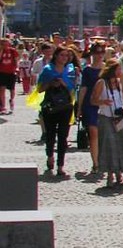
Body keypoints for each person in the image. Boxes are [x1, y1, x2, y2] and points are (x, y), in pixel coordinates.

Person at [90, 58, 123, 187]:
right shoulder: (101, 83)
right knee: (109, 144)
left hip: (120, 117)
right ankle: (110, 174)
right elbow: (93, 100)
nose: (120, 72)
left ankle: (119, 172)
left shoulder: (118, 83)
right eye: (118, 69)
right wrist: (102, 102)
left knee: (121, 143)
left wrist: (122, 81)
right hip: (106, 117)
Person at [37, 46, 76, 176]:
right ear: (56, 56)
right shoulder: (48, 69)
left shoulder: (70, 69)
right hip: (51, 106)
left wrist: (64, 83)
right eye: (62, 55)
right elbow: (40, 89)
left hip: (65, 106)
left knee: (63, 136)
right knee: (50, 134)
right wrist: (51, 83)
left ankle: (60, 165)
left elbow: (73, 87)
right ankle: (50, 156)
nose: (64, 58)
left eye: (66, 56)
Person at [78, 42, 106, 173]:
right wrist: (79, 108)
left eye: (101, 52)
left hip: (104, 103)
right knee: (93, 134)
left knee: (102, 134)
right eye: (97, 52)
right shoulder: (87, 70)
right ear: (92, 54)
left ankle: (102, 159)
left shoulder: (107, 69)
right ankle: (96, 163)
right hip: (89, 104)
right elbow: (83, 89)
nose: (99, 55)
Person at [0, 38, 18, 115]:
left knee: (12, 90)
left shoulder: (13, 51)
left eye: (7, 43)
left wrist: (17, 68)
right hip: (2, 72)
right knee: (2, 89)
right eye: (3, 44)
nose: (5, 45)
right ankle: (3, 106)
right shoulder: (1, 51)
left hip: (11, 72)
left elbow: (16, 60)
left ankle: (11, 100)